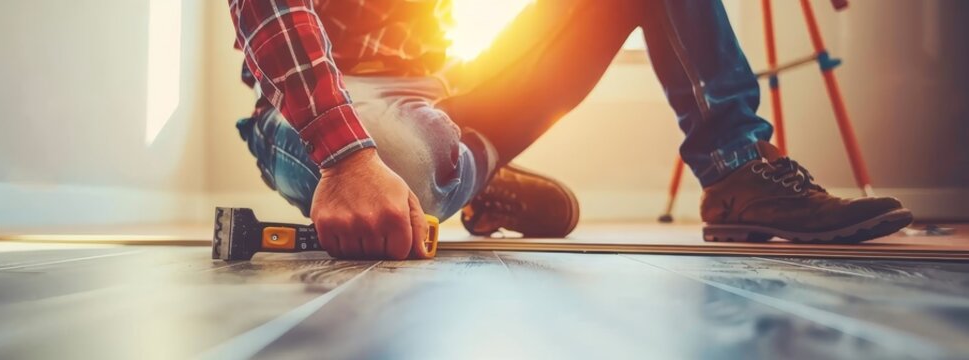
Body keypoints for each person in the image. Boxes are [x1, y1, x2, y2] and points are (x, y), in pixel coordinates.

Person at [227, 0, 913, 259]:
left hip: (446, 91)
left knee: (423, 154)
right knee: (405, 166)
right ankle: (464, 169)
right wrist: (348, 157)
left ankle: (734, 166)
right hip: (323, 102)